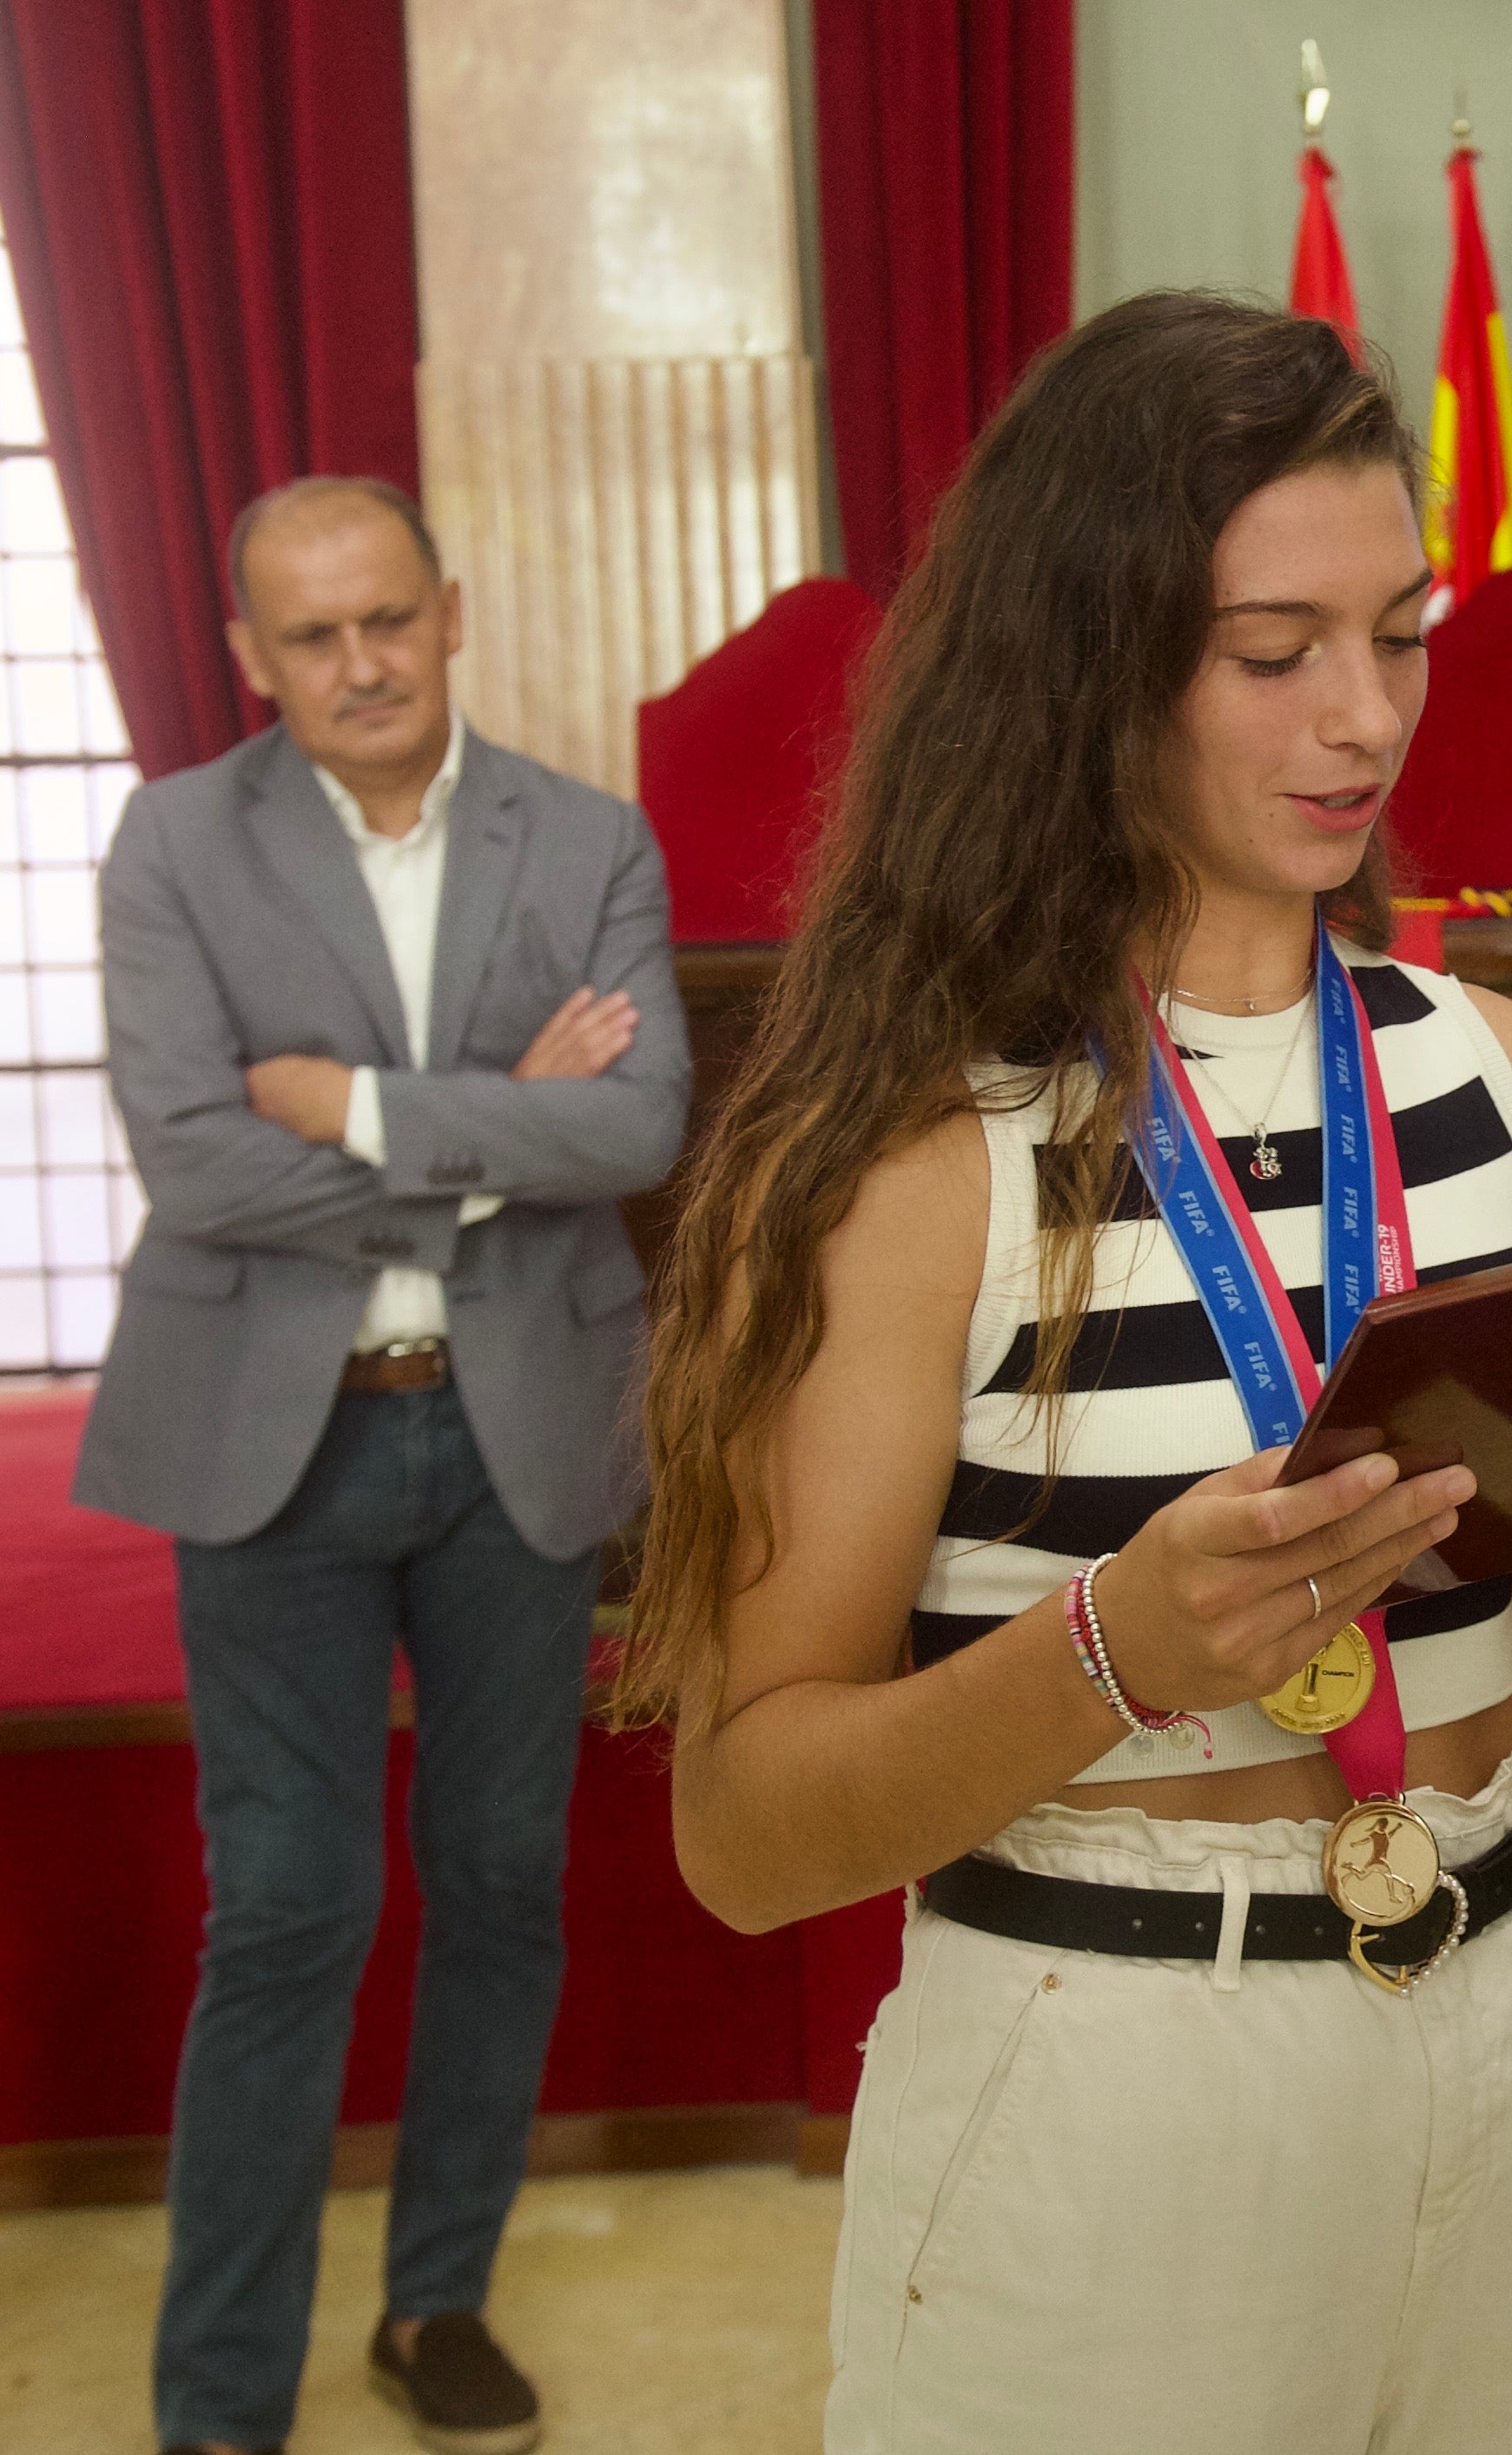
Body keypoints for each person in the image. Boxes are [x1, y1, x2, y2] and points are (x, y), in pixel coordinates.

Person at [616, 292, 1512, 2455]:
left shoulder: (1500, 1077)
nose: (1362, 718)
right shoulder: (907, 1154)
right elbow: (747, 1827)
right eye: (1272, 651)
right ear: (1085, 658)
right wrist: (1109, 1647)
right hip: (1121, 2061)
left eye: (1399, 632)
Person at [79, 475, 690, 2455]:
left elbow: (638, 1132)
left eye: (387, 620)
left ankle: (436, 2302)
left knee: (503, 1878)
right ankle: (221, 2398)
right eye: (311, 636)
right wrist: (500, 1121)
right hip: (276, 1444)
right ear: (252, 656)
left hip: (520, 1429)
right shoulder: (176, 840)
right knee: (284, 1910)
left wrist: (350, 1106)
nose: (359, 664)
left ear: (450, 607)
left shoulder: (587, 836)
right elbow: (194, 1157)